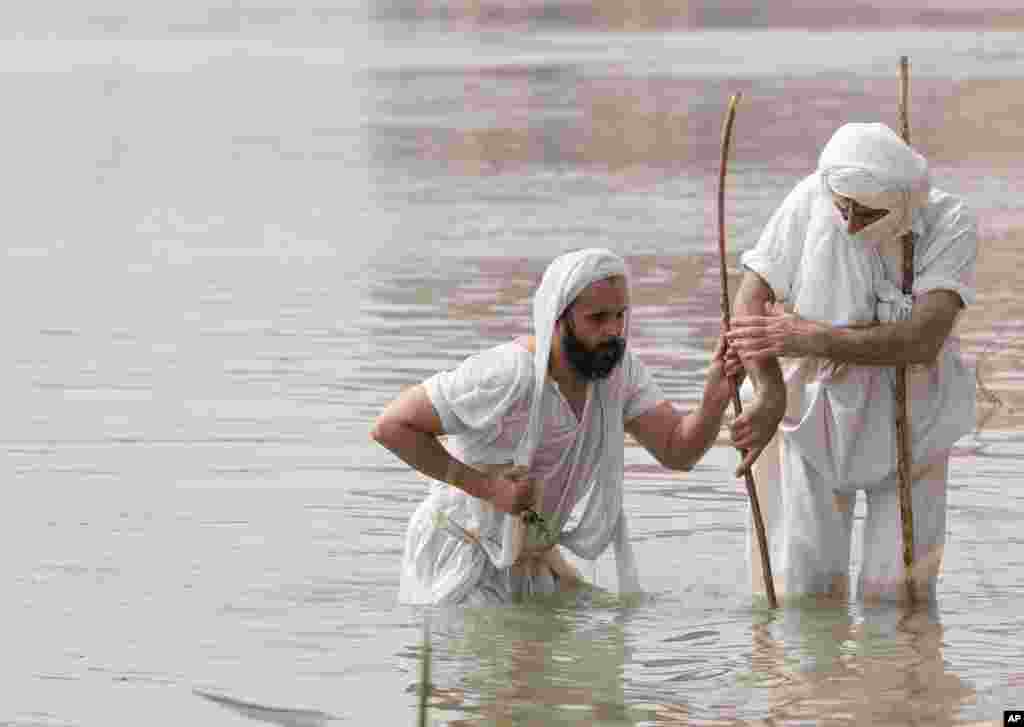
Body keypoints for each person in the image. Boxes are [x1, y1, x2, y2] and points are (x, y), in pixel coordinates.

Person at [371, 248, 742, 605]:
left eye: (620, 316)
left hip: (530, 558)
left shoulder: (620, 373)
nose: (613, 331)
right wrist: (489, 489)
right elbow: (392, 426)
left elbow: (678, 451)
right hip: (461, 554)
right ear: (557, 319)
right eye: (597, 319)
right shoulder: (509, 374)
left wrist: (714, 399)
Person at [725, 122, 977, 603]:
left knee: (901, 594)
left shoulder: (949, 221)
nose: (851, 225)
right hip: (814, 413)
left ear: (904, 203)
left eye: (868, 213)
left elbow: (922, 339)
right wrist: (770, 392)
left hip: (913, 421)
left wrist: (809, 335)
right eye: (844, 209)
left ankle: (896, 676)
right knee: (804, 591)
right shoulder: (811, 198)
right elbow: (750, 303)